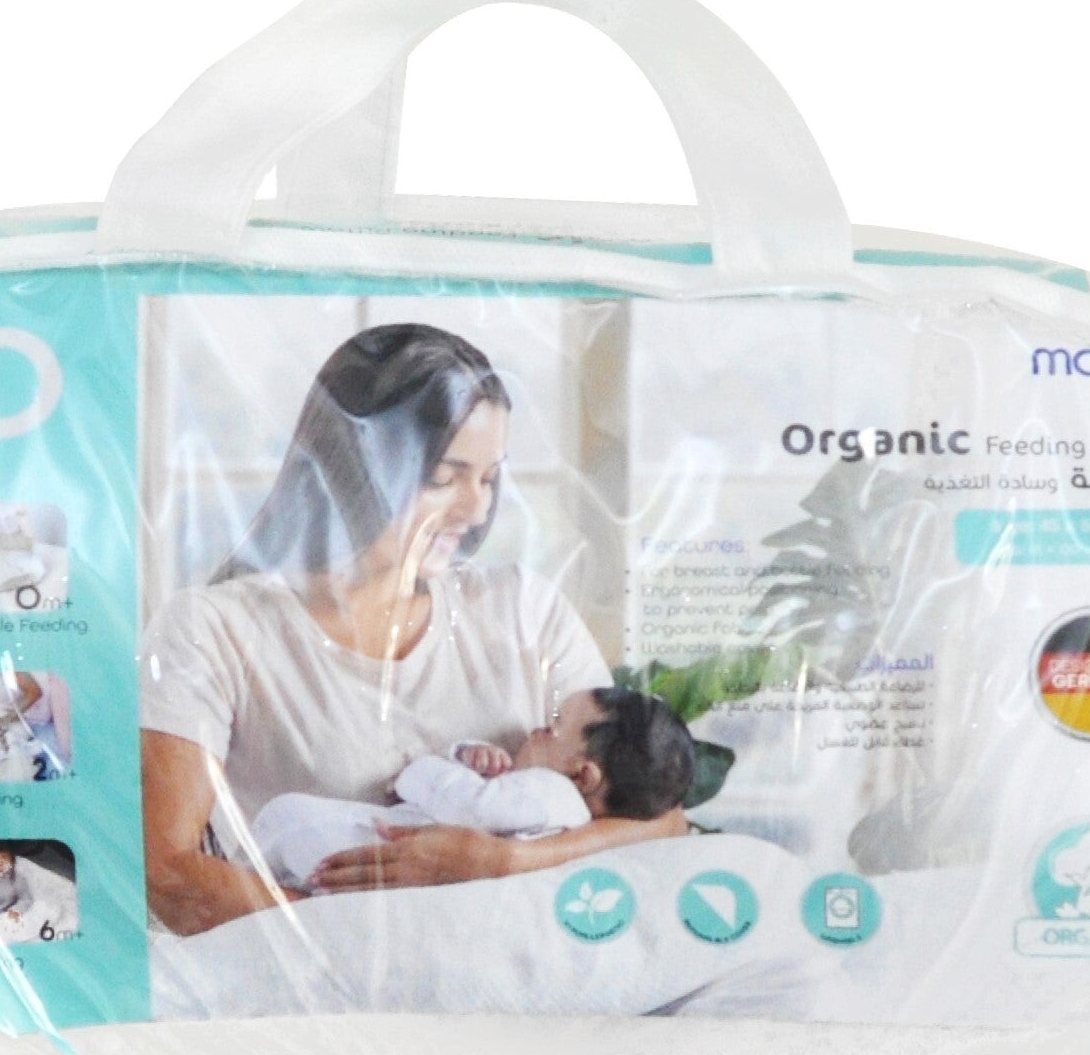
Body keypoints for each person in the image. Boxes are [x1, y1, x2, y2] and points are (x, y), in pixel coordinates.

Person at [137, 323, 691, 934]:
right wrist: (379, 933)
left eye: (488, 478)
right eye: (443, 478)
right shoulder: (215, 630)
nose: (476, 509)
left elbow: (660, 822)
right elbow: (166, 872)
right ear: (354, 466)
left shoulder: (523, 610)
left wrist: (497, 862)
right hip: (315, 975)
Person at [248, 686, 696, 894]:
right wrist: (469, 758)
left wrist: (418, 769)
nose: (536, 730)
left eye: (553, 728)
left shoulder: (554, 794)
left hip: (386, 852)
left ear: (581, 777)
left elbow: (469, 809)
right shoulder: (551, 809)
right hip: (400, 859)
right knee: (291, 826)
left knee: (294, 821)